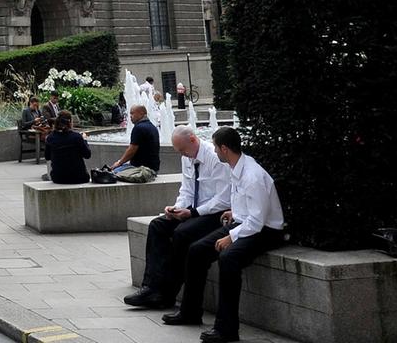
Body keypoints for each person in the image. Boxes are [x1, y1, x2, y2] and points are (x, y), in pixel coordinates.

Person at [163, 126, 284, 342]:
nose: (214, 151)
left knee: (228, 259)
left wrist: (230, 237)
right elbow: (247, 209)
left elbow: (256, 222)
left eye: (216, 147)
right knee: (197, 250)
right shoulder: (237, 167)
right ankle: (190, 312)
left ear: (224, 149)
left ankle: (227, 328)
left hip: (266, 231)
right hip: (245, 223)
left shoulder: (252, 175)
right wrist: (233, 212)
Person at [126, 126, 231, 309]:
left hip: (215, 213)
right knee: (157, 225)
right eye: (179, 151)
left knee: (183, 233)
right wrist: (176, 208)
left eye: (183, 150)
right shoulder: (187, 157)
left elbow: (223, 199)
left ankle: (167, 293)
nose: (183, 154)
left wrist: (193, 213)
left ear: (193, 139)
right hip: (194, 209)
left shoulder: (215, 158)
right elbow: (187, 190)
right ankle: (150, 287)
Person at [108, 103, 160, 181]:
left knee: (111, 173)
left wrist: (119, 163)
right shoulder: (152, 126)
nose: (130, 116)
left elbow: (132, 149)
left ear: (142, 113)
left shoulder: (139, 128)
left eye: (132, 113)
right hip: (153, 168)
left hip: (144, 170)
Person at [43, 112, 92, 184]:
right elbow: (87, 155)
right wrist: (84, 140)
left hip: (58, 178)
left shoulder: (50, 138)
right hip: (79, 177)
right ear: (70, 123)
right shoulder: (77, 137)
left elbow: (47, 157)